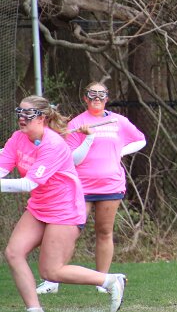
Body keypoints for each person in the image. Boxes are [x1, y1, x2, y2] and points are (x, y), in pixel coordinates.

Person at [0, 95, 126, 312]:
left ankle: (110, 280)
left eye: (28, 113)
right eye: (19, 112)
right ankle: (34, 309)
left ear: (42, 117)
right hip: (40, 206)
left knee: (51, 271)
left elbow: (29, 183)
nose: (22, 117)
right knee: (14, 253)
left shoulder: (53, 144)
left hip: (65, 208)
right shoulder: (18, 138)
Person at [37, 82, 146, 295]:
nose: (97, 98)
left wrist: (120, 152)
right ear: (85, 98)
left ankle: (102, 280)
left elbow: (140, 140)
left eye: (101, 95)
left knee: (104, 231)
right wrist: (87, 138)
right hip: (81, 187)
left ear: (107, 98)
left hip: (111, 185)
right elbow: (71, 159)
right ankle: (52, 279)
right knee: (69, 232)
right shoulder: (77, 123)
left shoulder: (118, 121)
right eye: (92, 94)